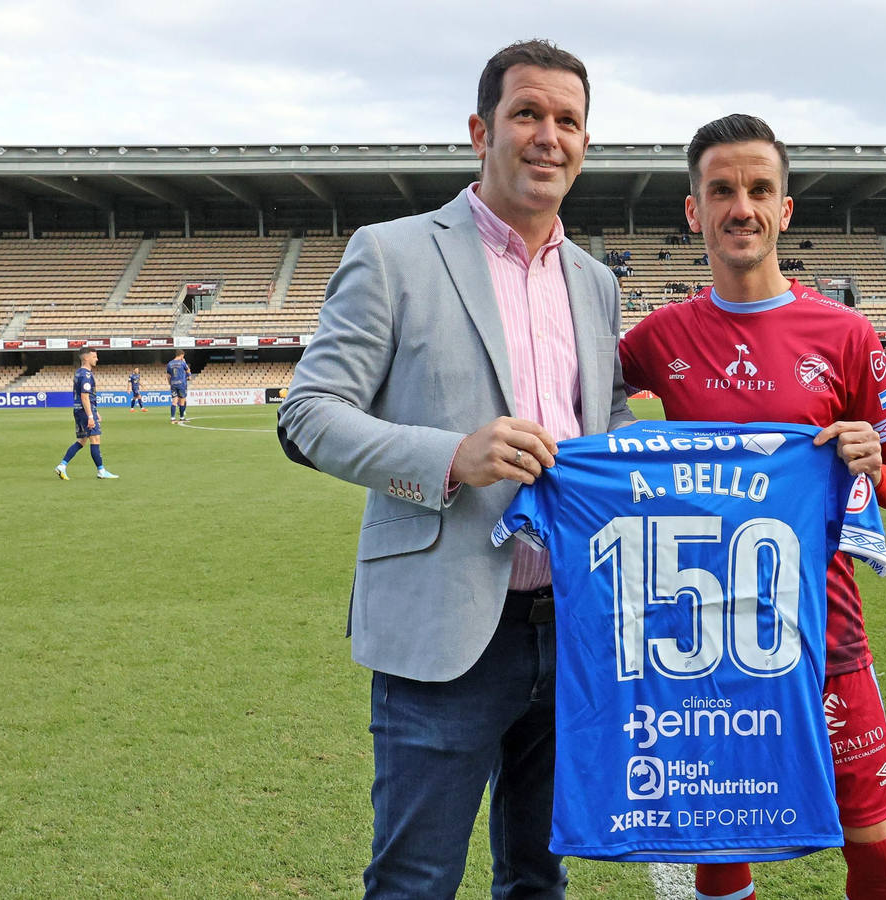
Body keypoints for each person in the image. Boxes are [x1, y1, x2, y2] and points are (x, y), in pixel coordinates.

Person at [275, 40, 631, 900]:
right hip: (444, 635)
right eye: (527, 114)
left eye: (568, 121)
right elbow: (306, 414)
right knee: (415, 881)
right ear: (481, 130)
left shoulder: (595, 280)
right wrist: (450, 457)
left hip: (569, 627)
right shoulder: (393, 253)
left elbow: (605, 420)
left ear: (585, 144)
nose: (549, 136)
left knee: (540, 880)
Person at [618, 114, 886, 900]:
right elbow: (576, 410)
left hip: (827, 631)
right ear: (695, 211)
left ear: (785, 209)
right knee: (724, 846)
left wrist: (870, 466)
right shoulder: (660, 338)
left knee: (876, 845)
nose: (740, 207)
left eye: (759, 189)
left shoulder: (847, 336)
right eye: (721, 190)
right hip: (708, 638)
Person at [55, 349, 118, 479]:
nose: (97, 359)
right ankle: (101, 471)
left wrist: (96, 411)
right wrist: (90, 416)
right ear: (86, 358)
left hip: (78, 410)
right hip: (85, 411)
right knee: (95, 439)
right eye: (94, 356)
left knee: (81, 440)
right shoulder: (87, 375)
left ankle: (62, 466)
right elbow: (85, 397)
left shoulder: (78, 372)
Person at [166, 350, 191, 422]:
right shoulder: (182, 363)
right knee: (182, 401)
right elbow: (188, 370)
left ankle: (172, 418)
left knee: (174, 401)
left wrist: (170, 383)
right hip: (181, 383)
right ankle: (182, 417)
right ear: (182, 355)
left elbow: (168, 375)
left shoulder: (170, 363)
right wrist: (189, 376)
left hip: (173, 383)